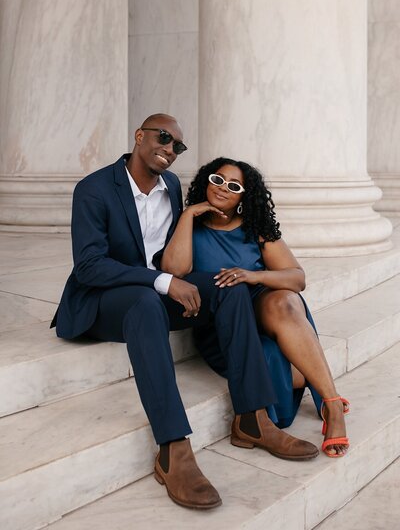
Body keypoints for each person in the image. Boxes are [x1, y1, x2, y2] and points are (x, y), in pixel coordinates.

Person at [51, 115, 319, 512]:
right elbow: (90, 266)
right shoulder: (94, 189)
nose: (170, 148)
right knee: (144, 301)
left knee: (229, 285)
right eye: (163, 138)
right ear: (139, 137)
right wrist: (162, 282)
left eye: (178, 145)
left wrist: (182, 276)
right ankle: (173, 448)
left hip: (153, 294)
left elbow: (173, 255)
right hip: (103, 300)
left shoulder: (172, 187)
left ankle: (253, 419)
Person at [160, 157, 350, 458]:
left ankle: (333, 405)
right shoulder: (191, 226)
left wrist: (253, 275)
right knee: (282, 363)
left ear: (243, 197)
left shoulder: (255, 229)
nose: (223, 188)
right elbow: (175, 270)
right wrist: (189, 214)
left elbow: (297, 278)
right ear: (206, 181)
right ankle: (297, 378)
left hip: (266, 310)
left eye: (233, 186)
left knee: (285, 299)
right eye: (217, 180)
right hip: (225, 326)